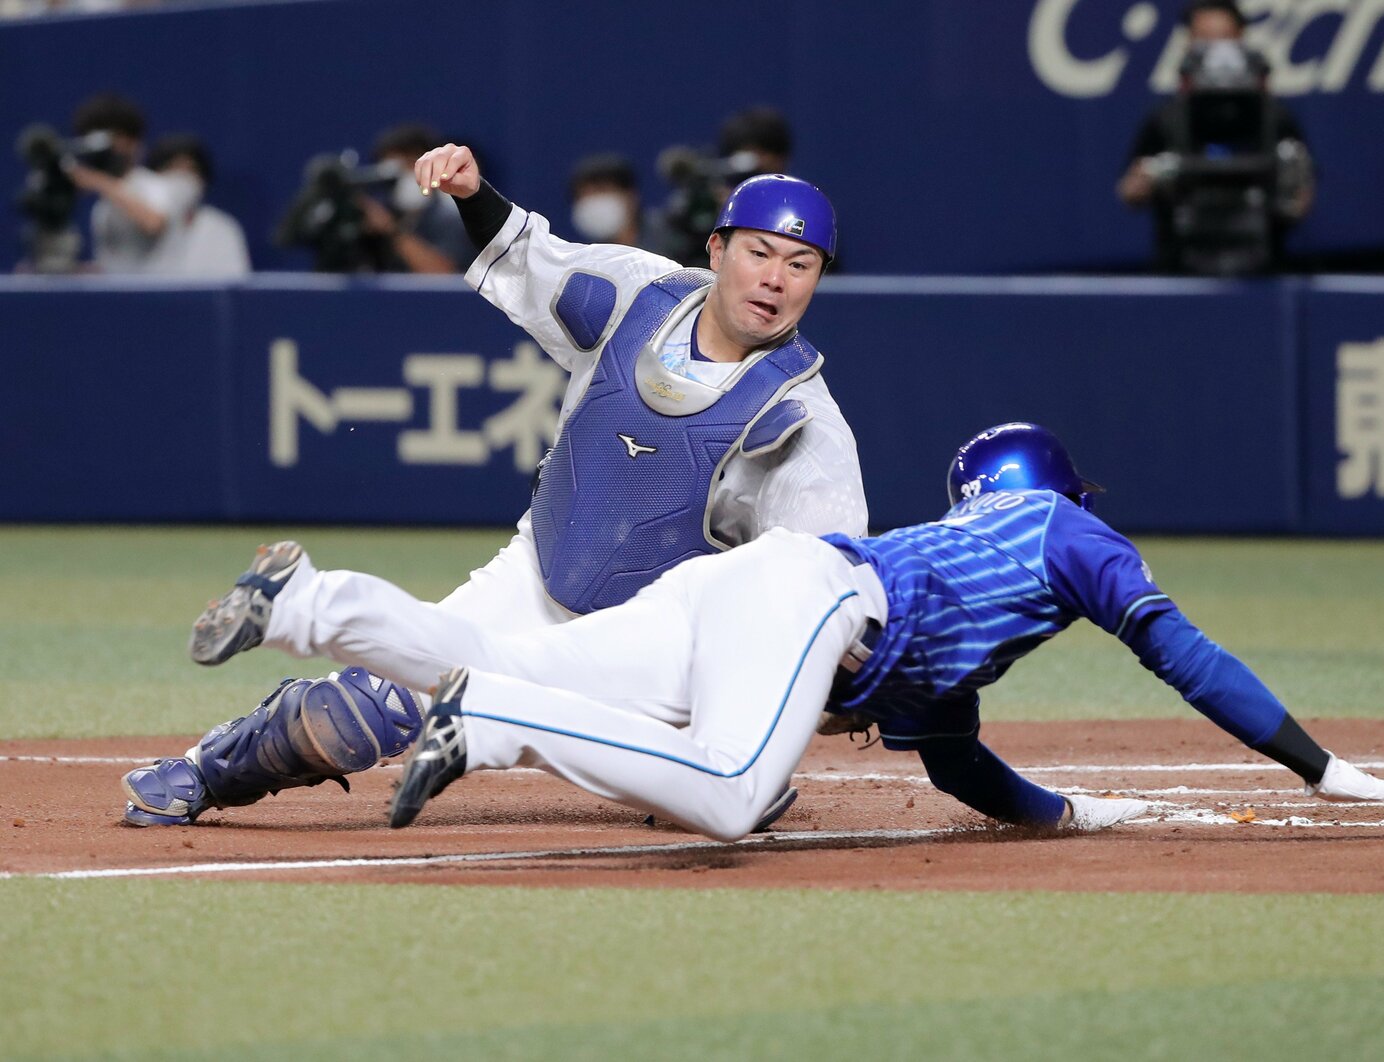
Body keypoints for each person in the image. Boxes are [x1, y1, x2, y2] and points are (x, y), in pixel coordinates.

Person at [120, 151, 867, 828]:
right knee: (362, 715)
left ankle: (714, 759)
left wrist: (835, 684)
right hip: (538, 576)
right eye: (760, 252)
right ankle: (202, 771)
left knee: (714, 800)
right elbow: (530, 257)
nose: (774, 278)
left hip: (651, 653)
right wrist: (472, 193)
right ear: (717, 249)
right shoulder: (637, 295)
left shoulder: (803, 421)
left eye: (800, 265)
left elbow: (821, 588)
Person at [388, 423, 1384, 839]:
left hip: (745, 593)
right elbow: (1184, 656)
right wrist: (1318, 767)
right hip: (807, 597)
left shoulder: (950, 590)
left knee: (513, 655)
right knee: (733, 795)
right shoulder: (1063, 529)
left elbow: (958, 767)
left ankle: (312, 608)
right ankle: (485, 725)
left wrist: (1068, 814)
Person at [1116, 0, 1314, 274]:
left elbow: (1300, 200)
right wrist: (1149, 179)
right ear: (1187, 43)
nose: (1214, 52)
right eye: (1204, 40)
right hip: (1181, 271)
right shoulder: (1165, 120)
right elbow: (1129, 191)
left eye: (1223, 40)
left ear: (1241, 40)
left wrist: (1291, 187)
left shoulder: (1275, 119)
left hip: (1261, 274)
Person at [64, 93, 201, 274]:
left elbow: (154, 222)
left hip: (160, 297)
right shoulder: (104, 205)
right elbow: (117, 265)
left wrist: (98, 181)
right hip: (121, 299)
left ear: (132, 142)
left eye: (114, 138)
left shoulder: (161, 184)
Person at [358, 124, 475, 273]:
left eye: (412, 164)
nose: (407, 174)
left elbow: (443, 274)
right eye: (395, 169)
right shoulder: (376, 216)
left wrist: (391, 230)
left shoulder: (453, 219)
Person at [144, 134, 251, 277]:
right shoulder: (132, 221)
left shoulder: (223, 228)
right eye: (172, 169)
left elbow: (236, 284)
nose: (182, 178)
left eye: (190, 170)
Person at [568, 152, 644, 247]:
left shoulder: (666, 236)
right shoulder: (585, 258)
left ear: (630, 195)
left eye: (601, 190)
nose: (593, 202)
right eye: (584, 195)